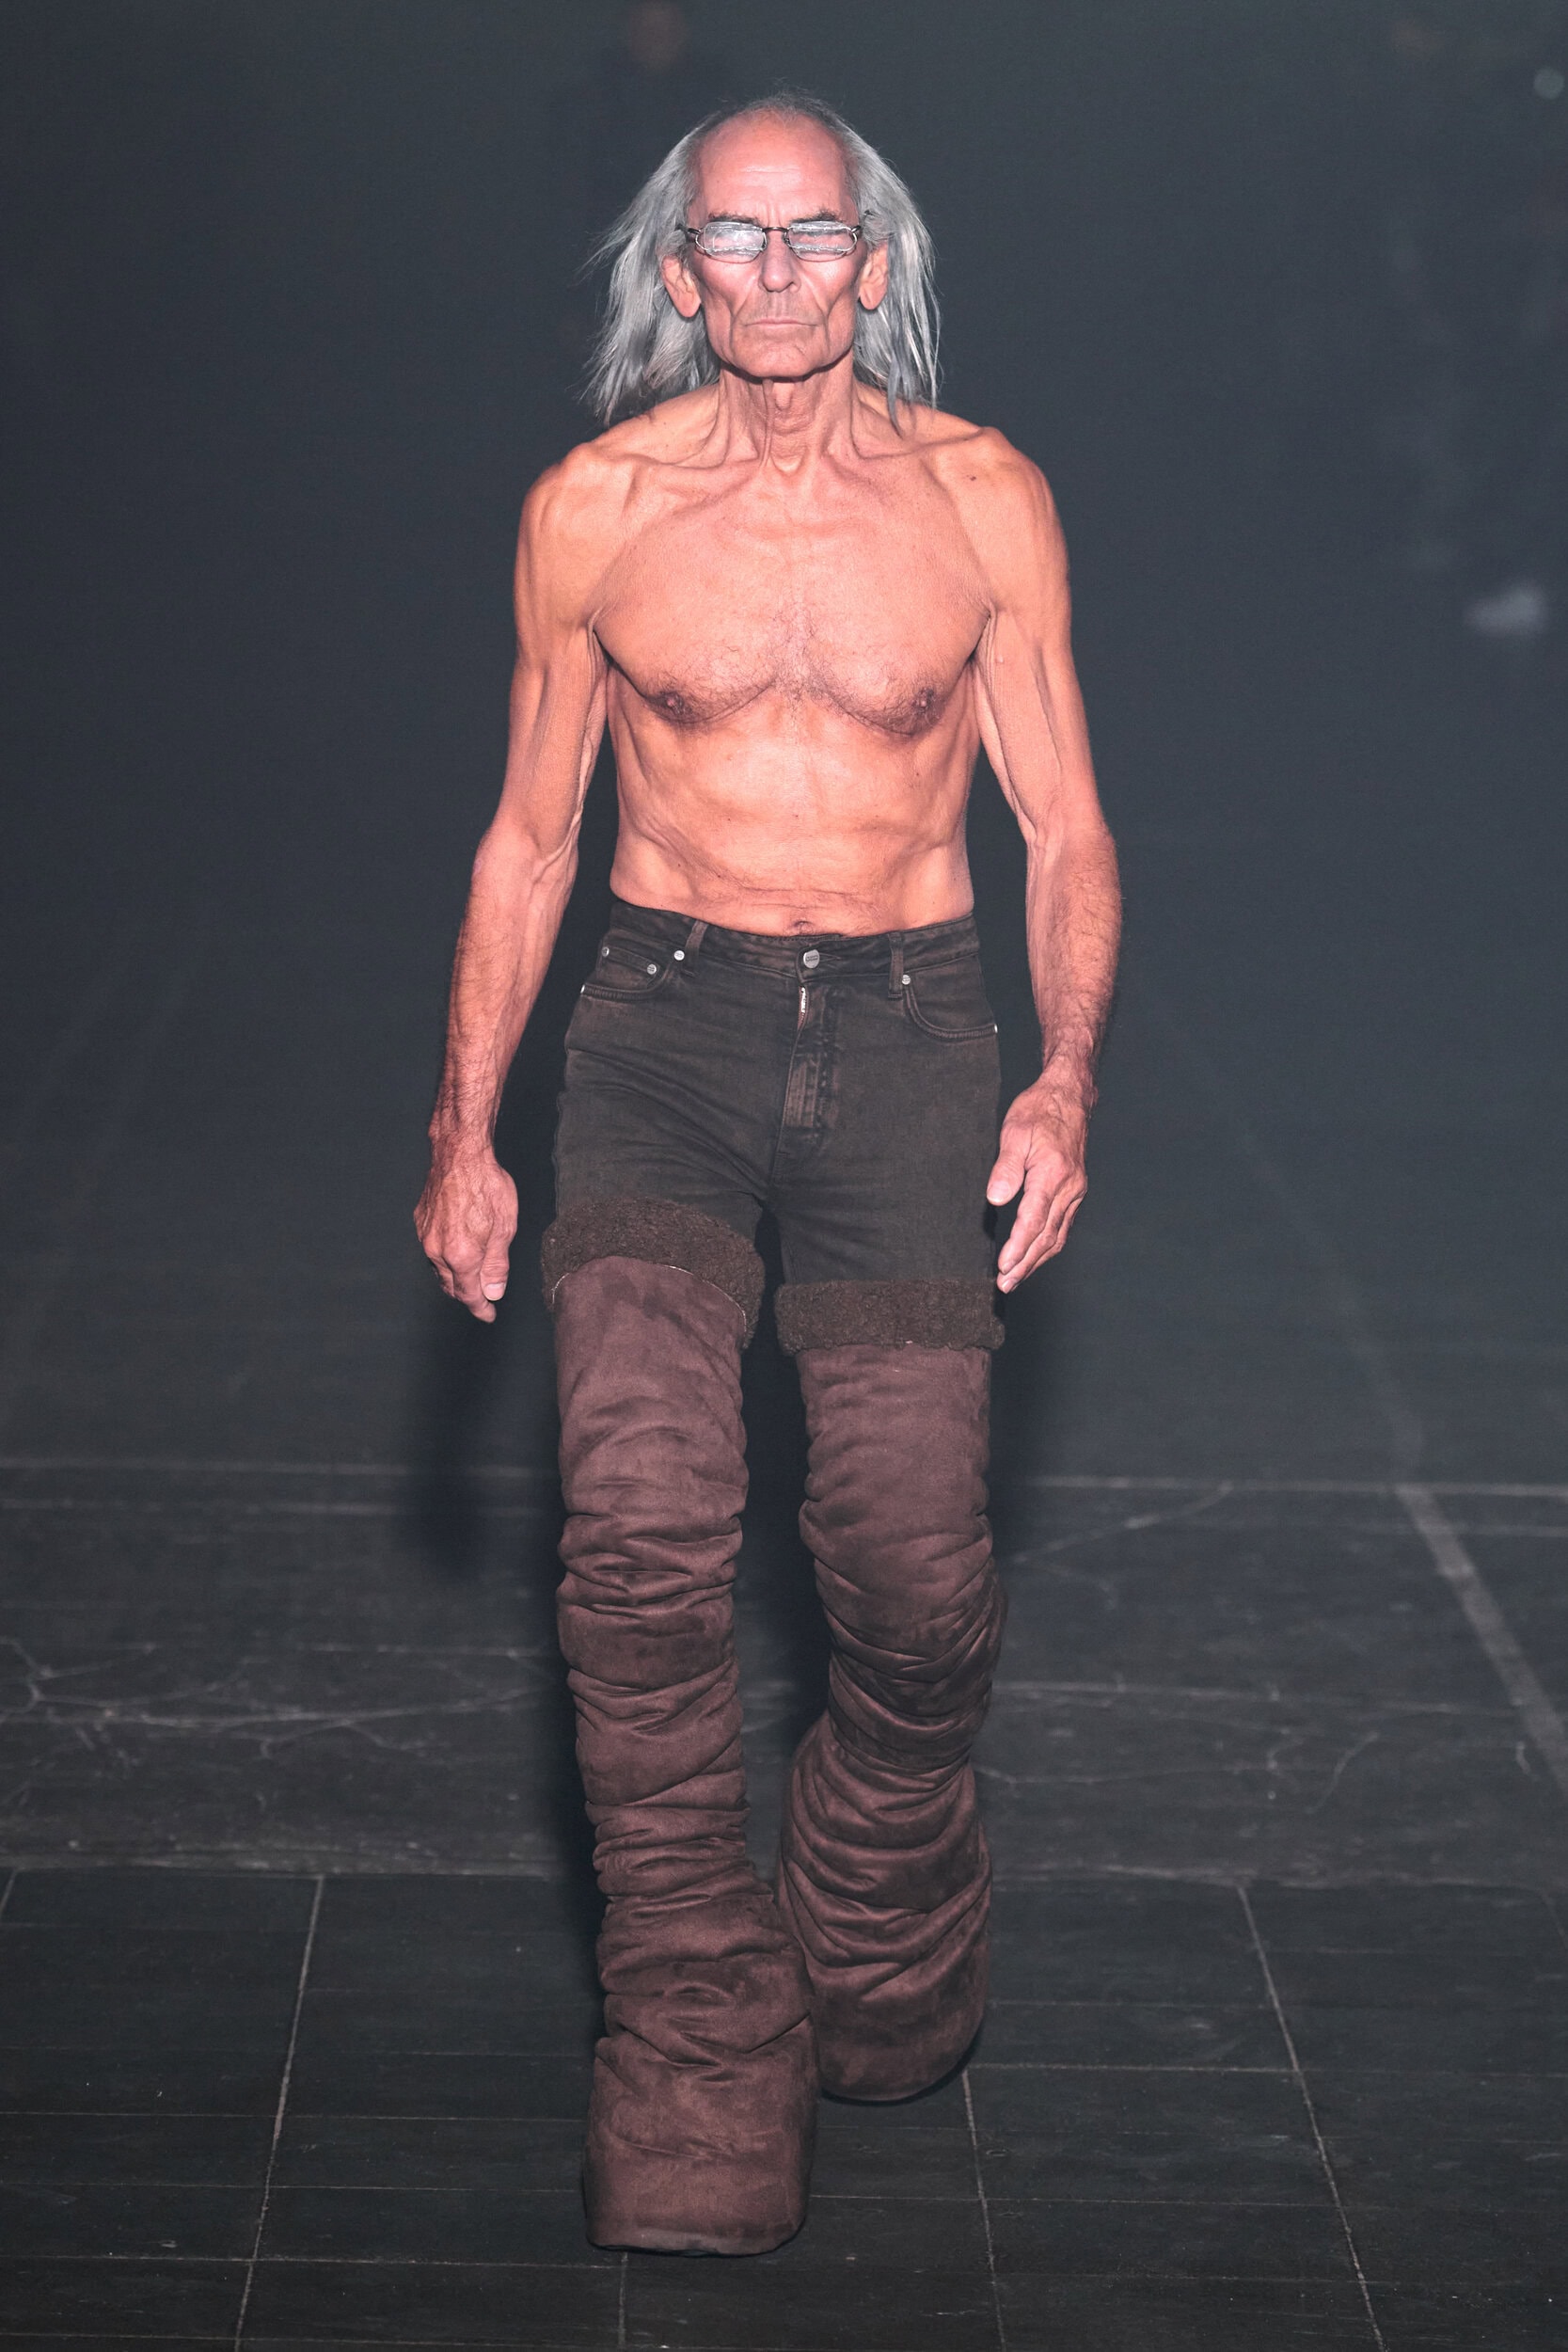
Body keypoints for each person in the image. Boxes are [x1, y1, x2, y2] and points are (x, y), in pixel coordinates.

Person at [416, 92, 1120, 2257]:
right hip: (661, 1035)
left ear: (874, 267)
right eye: (738, 236)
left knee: (910, 1568)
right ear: (682, 271)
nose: (781, 273)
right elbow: (529, 833)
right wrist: (462, 1121)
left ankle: (879, 1882)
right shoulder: (594, 512)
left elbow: (1066, 828)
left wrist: (1065, 1077)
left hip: (911, 1042)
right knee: (635, 1536)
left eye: (817, 236)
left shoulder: (986, 501)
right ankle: (699, 2038)